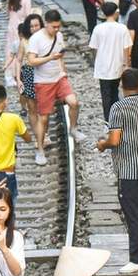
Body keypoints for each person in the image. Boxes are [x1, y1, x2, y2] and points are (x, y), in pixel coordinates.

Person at [96, 68, 138, 274]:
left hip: (129, 168)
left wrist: (102, 145)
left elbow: (114, 140)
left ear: (122, 85)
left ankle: (137, 258)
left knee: (133, 214)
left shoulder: (118, 108)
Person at [27, 9, 85, 166]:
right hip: (43, 81)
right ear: (46, 24)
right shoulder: (36, 39)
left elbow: (61, 55)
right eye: (54, 27)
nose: (57, 29)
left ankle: (73, 128)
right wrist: (50, 58)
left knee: (74, 102)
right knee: (44, 118)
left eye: (58, 26)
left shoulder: (59, 36)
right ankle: (40, 150)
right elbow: (31, 61)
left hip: (59, 78)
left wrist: (63, 71)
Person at [88, 2, 132, 127]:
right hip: (118, 65)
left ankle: (108, 119)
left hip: (102, 66)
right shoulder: (122, 28)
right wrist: (126, 64)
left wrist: (97, 60)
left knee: (105, 93)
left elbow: (94, 48)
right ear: (115, 12)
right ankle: (116, 116)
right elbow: (126, 48)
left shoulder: (98, 28)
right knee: (115, 91)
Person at [13, 14, 43, 135]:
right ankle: (39, 136)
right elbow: (18, 60)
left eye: (37, 25)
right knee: (32, 108)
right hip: (29, 74)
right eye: (31, 26)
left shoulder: (47, 39)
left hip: (44, 74)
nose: (34, 28)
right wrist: (19, 79)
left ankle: (43, 135)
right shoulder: (24, 41)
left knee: (44, 108)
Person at [5, 0, 32, 66]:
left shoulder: (10, 0)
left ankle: (11, 70)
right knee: (23, 51)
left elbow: (8, 14)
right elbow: (28, 15)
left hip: (11, 27)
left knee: (12, 49)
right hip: (22, 27)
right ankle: (22, 73)